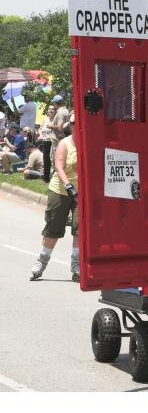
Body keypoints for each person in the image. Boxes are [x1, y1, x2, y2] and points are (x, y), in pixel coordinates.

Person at [30, 111, 79, 282]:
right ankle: (41, 263)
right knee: (53, 227)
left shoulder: (89, 143)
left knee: (80, 229)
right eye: (74, 123)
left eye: (79, 123)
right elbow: (58, 166)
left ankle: (76, 266)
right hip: (61, 189)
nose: (76, 126)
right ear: (70, 126)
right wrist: (68, 185)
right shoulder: (65, 143)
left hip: (81, 193)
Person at [37, 104, 56, 182]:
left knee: (53, 160)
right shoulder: (45, 119)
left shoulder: (55, 120)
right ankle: (46, 178)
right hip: (45, 141)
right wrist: (41, 135)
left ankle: (54, 178)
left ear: (55, 111)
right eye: (49, 109)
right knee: (46, 160)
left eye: (52, 109)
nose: (50, 110)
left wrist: (50, 136)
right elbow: (40, 129)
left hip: (52, 142)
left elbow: (57, 131)